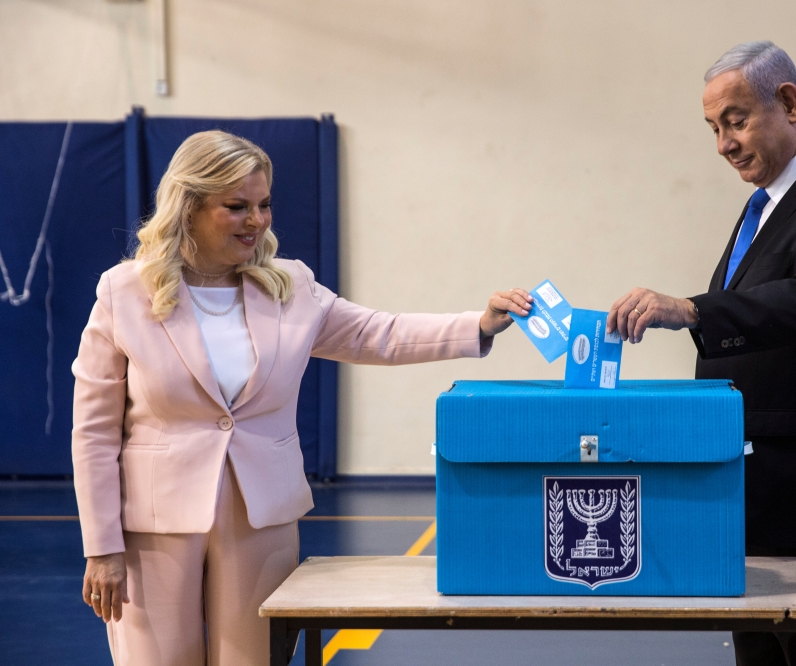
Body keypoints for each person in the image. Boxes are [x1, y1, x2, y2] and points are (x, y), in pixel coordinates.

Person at [72, 130, 532, 666]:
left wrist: (478, 324)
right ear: (189, 207)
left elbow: (377, 334)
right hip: (152, 525)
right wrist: (102, 547)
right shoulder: (123, 291)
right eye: (237, 207)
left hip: (263, 516)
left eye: (264, 205)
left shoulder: (290, 286)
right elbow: (95, 431)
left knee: (254, 660)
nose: (257, 220)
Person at [607, 41, 796, 666]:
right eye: (714, 128)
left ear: (789, 103)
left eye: (736, 121)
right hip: (758, 491)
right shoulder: (764, 207)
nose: (723, 144)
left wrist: (692, 309)